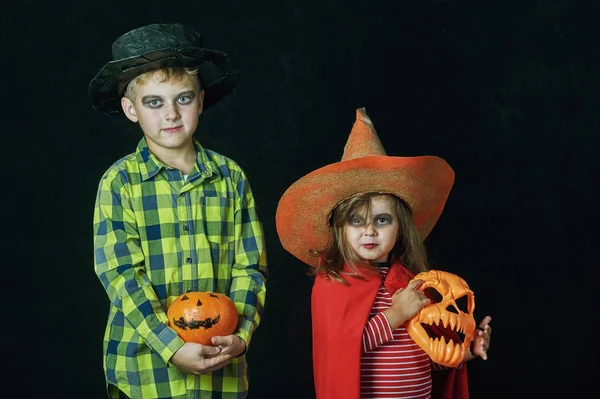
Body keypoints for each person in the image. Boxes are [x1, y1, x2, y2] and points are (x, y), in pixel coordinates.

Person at [89, 23, 267, 399]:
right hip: (143, 372)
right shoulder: (120, 182)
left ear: (200, 101)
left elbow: (249, 267)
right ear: (131, 109)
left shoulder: (230, 177)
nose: (171, 114)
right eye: (154, 102)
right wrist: (171, 346)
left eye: (183, 99)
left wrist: (241, 335)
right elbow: (121, 276)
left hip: (222, 370)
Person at [275, 108, 492, 399]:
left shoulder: (411, 281)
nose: (369, 231)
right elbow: (343, 351)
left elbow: (427, 354)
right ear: (339, 228)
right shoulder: (334, 282)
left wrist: (465, 351)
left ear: (400, 227)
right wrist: (396, 313)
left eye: (381, 220)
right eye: (356, 220)